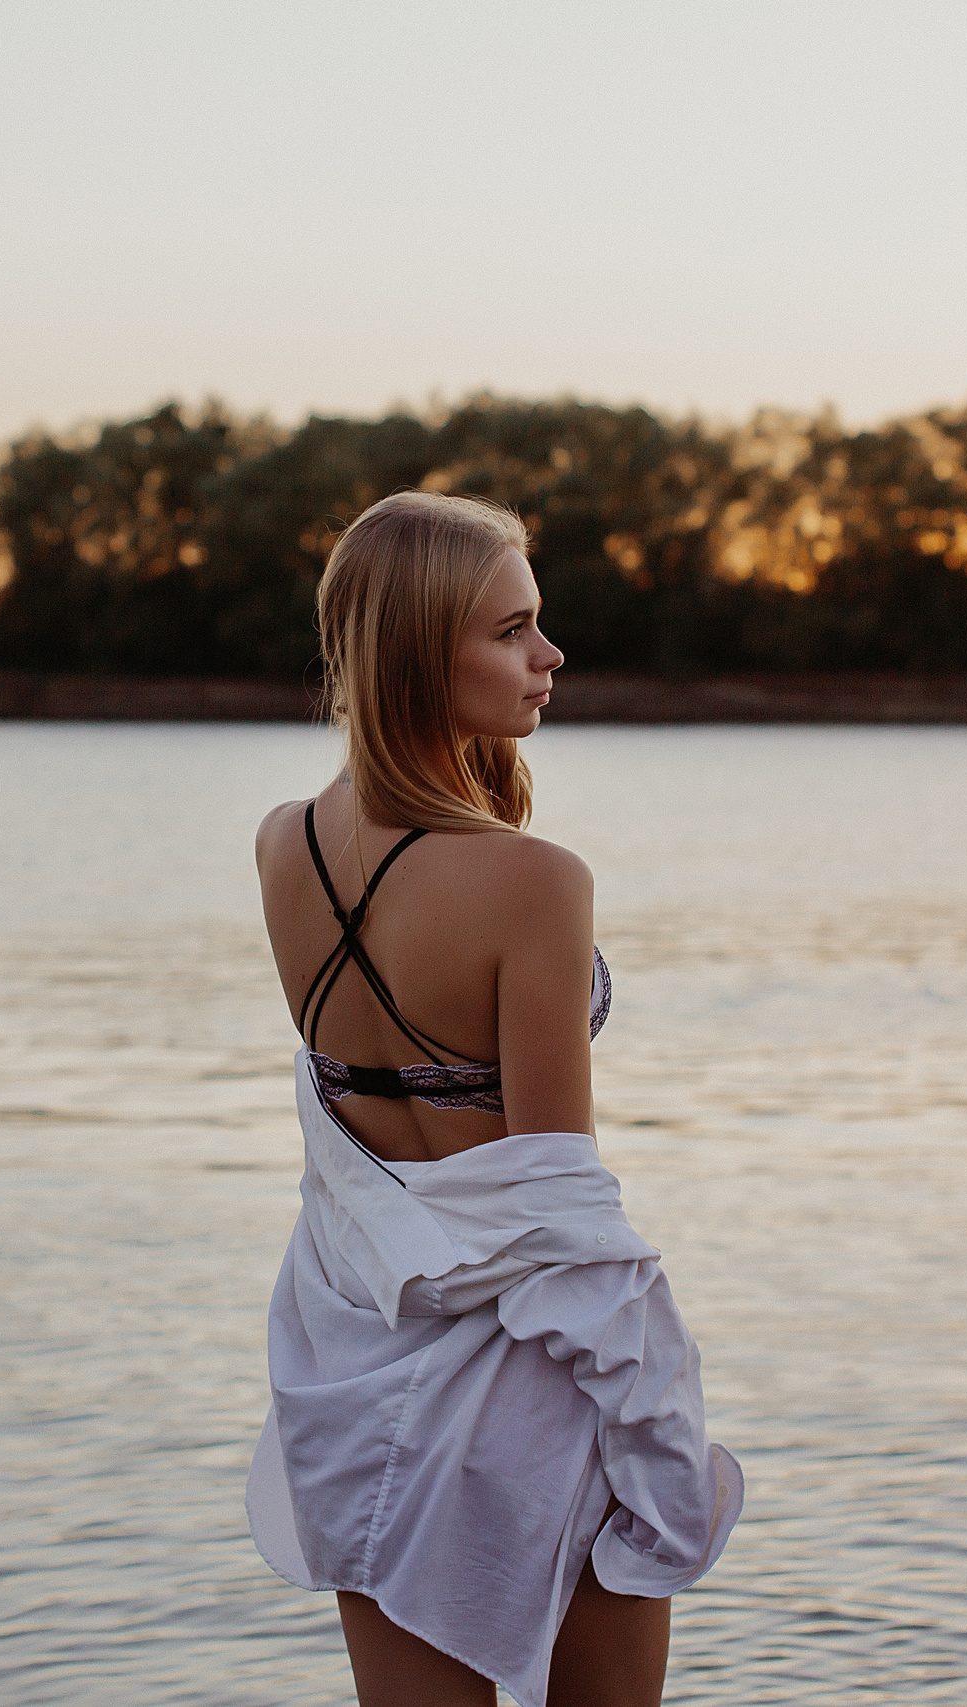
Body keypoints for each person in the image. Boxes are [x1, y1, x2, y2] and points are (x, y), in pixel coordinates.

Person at [246, 491, 743, 1707]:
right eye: (512, 631)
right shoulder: (535, 881)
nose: (549, 656)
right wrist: (654, 1421)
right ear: (423, 655)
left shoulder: (282, 845)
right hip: (527, 1373)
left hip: (360, 1355)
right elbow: (556, 1192)